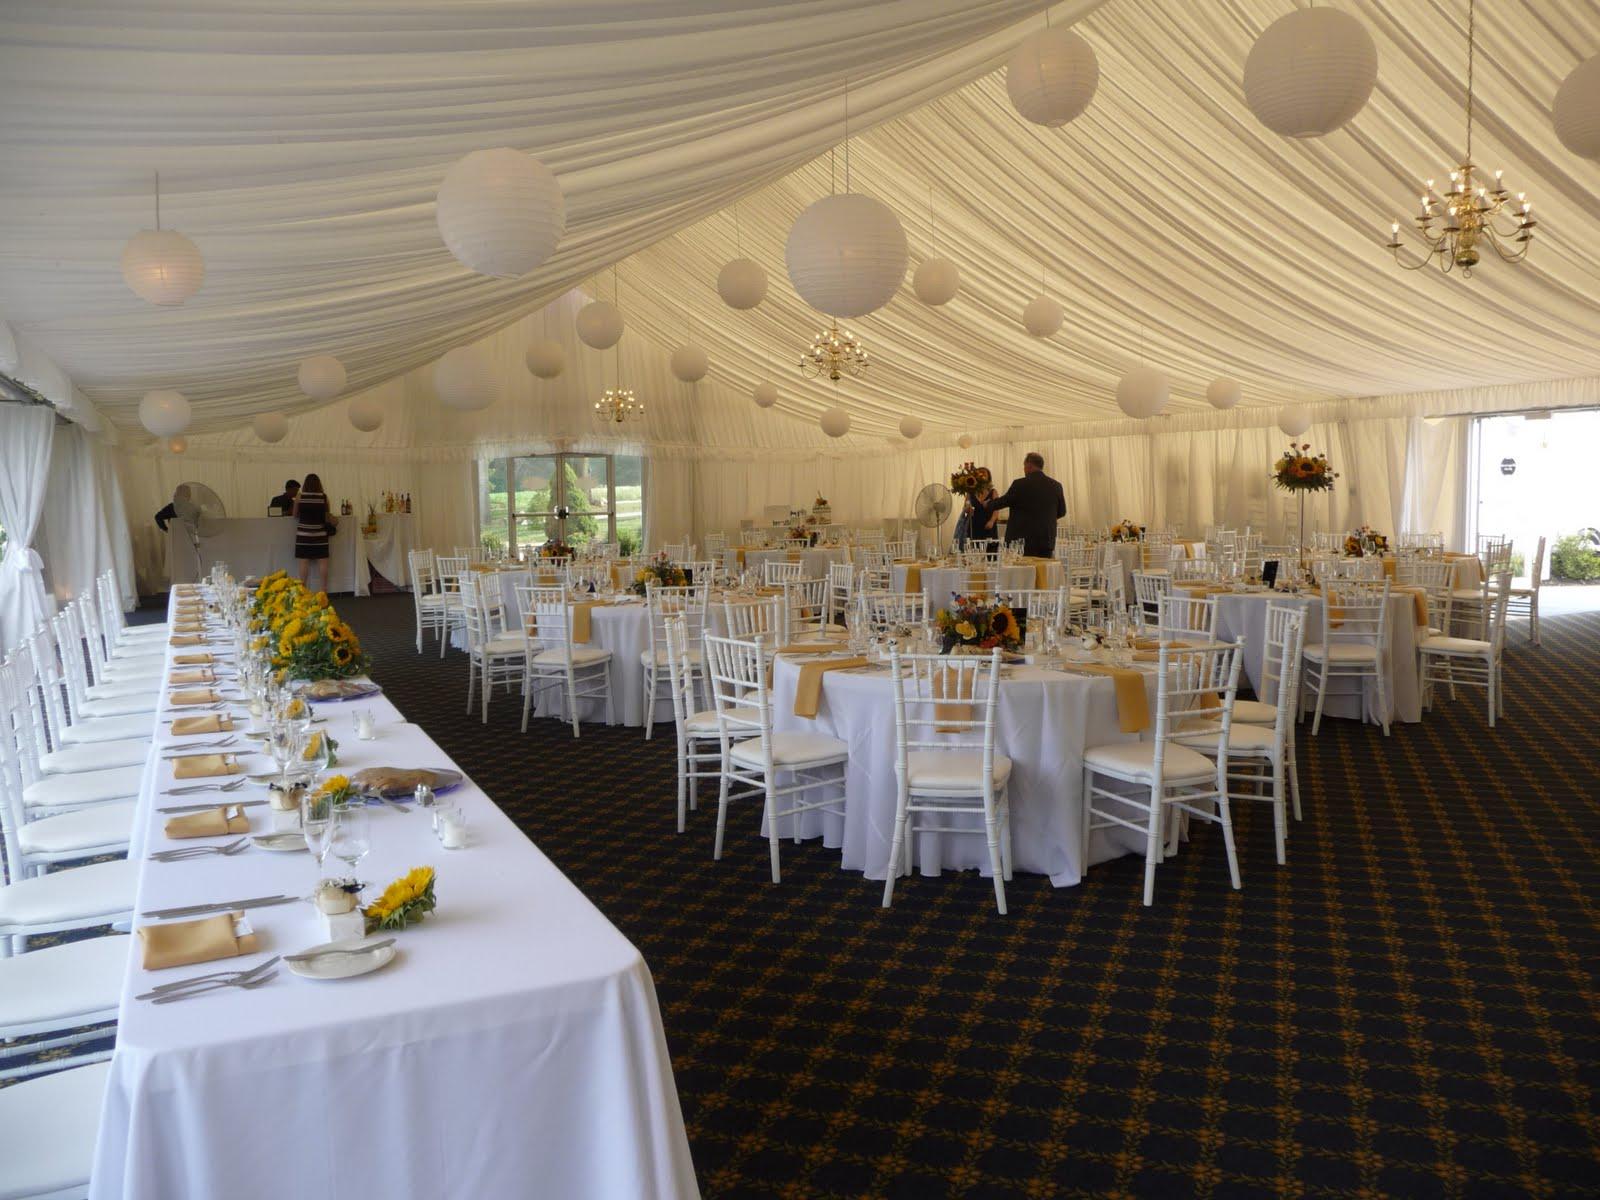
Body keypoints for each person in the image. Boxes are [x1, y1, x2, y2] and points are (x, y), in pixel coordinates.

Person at [984, 451, 1066, 558]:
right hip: (1046, 540)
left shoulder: (1019, 484)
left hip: (1021, 541)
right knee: (1042, 572)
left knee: (1022, 573)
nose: (1024, 470)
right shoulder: (1056, 486)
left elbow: (1003, 501)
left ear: (1029, 465)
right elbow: (1062, 512)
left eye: (1024, 467)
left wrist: (988, 504)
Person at [292, 472, 334, 592]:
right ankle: (323, 590)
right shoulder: (324, 497)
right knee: (323, 563)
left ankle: (303, 590)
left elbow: (294, 515)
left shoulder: (300, 496)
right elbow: (327, 516)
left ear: (305, 484)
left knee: (303, 563)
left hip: (303, 535)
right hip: (320, 535)